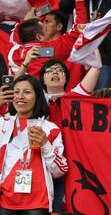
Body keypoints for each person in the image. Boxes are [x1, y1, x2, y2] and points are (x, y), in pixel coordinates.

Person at [0, 75, 67, 213]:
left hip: (38, 203)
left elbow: (59, 171)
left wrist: (45, 144)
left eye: (27, 92)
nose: (20, 97)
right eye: (16, 92)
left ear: (38, 96)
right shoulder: (3, 124)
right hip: (5, 201)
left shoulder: (50, 129)